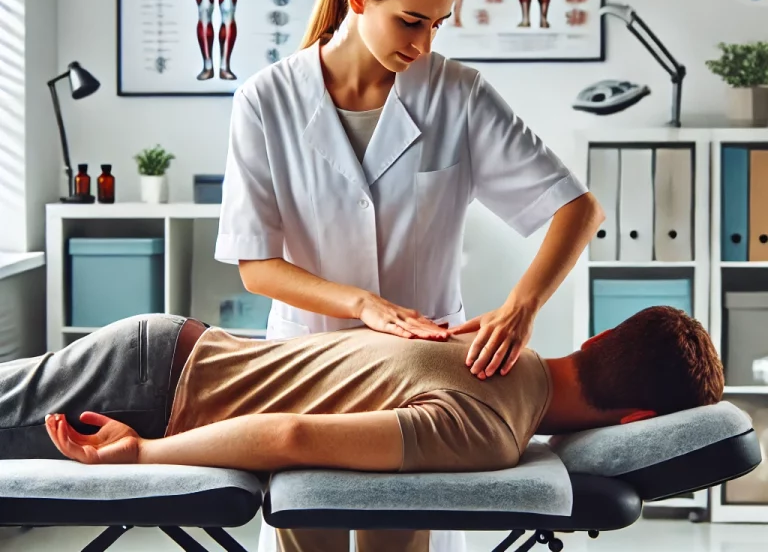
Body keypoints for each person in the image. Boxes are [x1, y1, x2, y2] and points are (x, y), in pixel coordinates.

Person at [214, 0, 605, 552]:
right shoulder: (268, 100)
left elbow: (577, 209)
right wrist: (361, 304)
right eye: (411, 21)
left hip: (419, 381)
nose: (423, 45)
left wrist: (520, 307)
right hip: (311, 365)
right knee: (307, 535)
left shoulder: (458, 94)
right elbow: (256, 267)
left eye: (437, 24)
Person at [13, 306, 722, 552]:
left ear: (600, 338)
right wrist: (143, 454)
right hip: (151, 393)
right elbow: (291, 438)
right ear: (636, 420)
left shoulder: (496, 347)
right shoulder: (491, 430)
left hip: (168, 355)